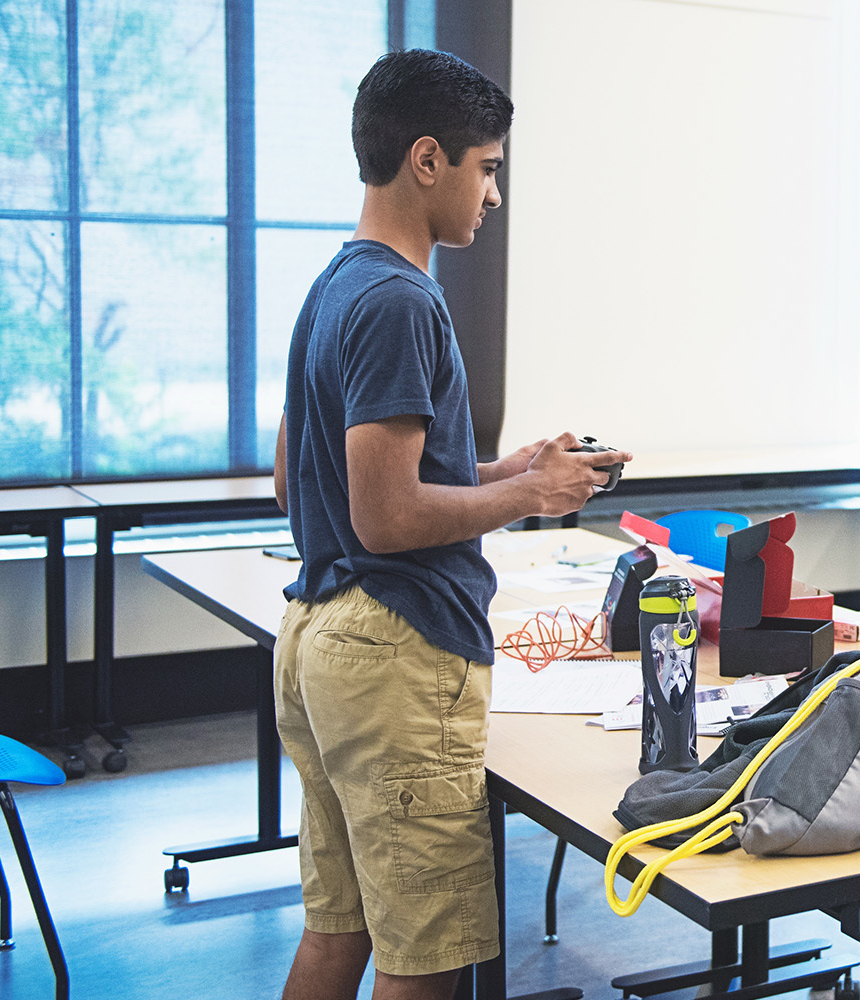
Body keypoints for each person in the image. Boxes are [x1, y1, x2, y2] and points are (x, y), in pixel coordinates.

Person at [271, 50, 629, 1000]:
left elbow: (300, 481)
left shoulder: (335, 286)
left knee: (338, 934)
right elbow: (385, 518)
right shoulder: (400, 299)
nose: (495, 194)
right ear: (427, 160)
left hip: (319, 634)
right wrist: (531, 498)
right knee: (427, 967)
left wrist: (509, 469)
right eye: (489, 166)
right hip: (394, 647)